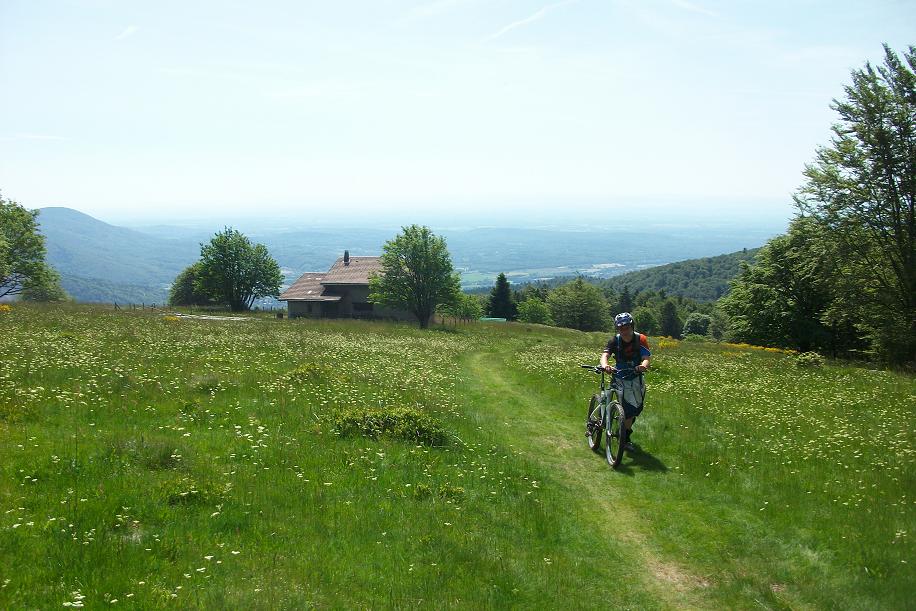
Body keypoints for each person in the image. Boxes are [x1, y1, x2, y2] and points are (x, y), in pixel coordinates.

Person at [600, 312, 651, 451]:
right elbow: (605, 355)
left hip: (635, 377)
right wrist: (605, 365)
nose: (624, 330)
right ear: (617, 328)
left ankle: (623, 432)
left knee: (635, 409)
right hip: (619, 376)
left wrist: (643, 366)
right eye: (620, 328)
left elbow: (646, 357)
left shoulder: (640, 339)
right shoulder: (614, 340)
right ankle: (625, 438)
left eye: (626, 327)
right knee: (627, 409)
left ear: (631, 326)